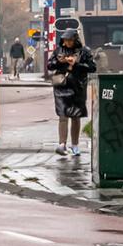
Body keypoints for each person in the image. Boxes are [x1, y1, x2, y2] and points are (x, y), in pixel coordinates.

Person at [45, 28, 95, 156]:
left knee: (75, 116)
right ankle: (62, 144)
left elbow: (92, 67)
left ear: (75, 40)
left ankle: (75, 145)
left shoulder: (84, 52)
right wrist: (59, 62)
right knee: (63, 115)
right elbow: (50, 65)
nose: (67, 43)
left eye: (70, 40)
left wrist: (76, 64)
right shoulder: (59, 51)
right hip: (62, 86)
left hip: (78, 87)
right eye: (65, 40)